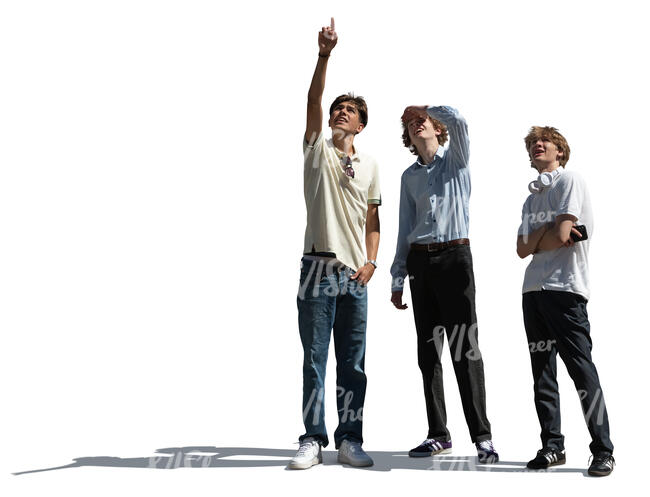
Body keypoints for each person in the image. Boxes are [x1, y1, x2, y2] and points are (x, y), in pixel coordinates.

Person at [288, 18, 381, 470]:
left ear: (361, 125)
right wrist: (324, 54)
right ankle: (312, 438)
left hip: (353, 277)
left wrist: (372, 262)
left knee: (354, 364)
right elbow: (311, 99)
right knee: (313, 359)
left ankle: (350, 438)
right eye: (337, 108)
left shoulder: (369, 165)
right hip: (316, 270)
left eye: (350, 110)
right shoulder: (317, 151)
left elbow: (373, 219)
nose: (340, 112)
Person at [390, 105, 498, 463]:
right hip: (421, 261)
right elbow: (405, 226)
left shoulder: (456, 162)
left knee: (465, 348)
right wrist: (397, 275)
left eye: (423, 121)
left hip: (455, 257)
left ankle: (482, 437)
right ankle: (438, 434)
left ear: (437, 128)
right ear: (407, 136)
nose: (417, 124)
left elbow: (461, 121)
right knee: (428, 351)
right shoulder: (409, 177)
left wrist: (425, 107)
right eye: (410, 123)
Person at [517, 126, 614, 476]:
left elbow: (559, 236)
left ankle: (603, 449)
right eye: (532, 143)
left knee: (582, 372)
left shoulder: (569, 181)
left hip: (566, 291)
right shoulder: (531, 199)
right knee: (542, 375)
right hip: (533, 292)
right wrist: (549, 235)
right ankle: (552, 447)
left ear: (561, 150)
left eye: (545, 141)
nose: (537, 145)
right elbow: (520, 250)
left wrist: (542, 237)